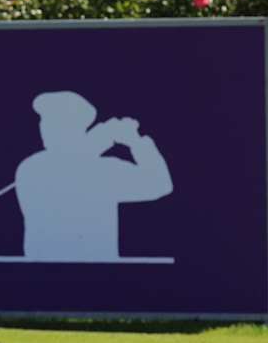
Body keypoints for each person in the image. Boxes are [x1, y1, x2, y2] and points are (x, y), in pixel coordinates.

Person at [14, 91, 172, 262]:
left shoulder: (102, 169)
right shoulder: (31, 168)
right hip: (40, 278)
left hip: (98, 278)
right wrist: (123, 138)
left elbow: (160, 184)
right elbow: (67, 168)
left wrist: (136, 142)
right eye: (45, 120)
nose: (44, 127)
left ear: (76, 129)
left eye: (56, 123)